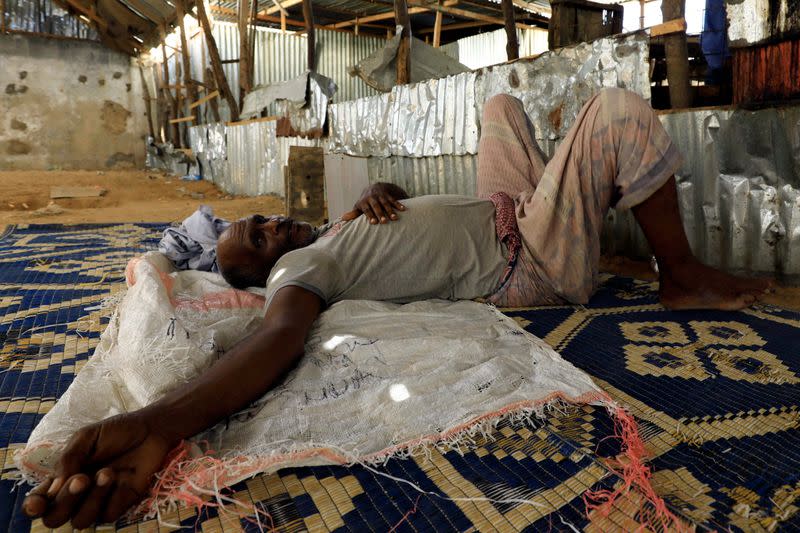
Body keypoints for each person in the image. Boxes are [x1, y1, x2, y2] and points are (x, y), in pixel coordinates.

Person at [22, 89, 770, 528]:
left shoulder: (338, 226)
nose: (274, 225)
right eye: (257, 236)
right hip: (527, 256)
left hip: (503, 207)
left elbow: (403, 228)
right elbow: (278, 338)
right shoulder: (299, 269)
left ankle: (597, 216)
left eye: (268, 217)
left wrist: (386, 192)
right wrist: (160, 421)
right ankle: (681, 272)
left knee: (500, 106)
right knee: (612, 112)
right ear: (261, 268)